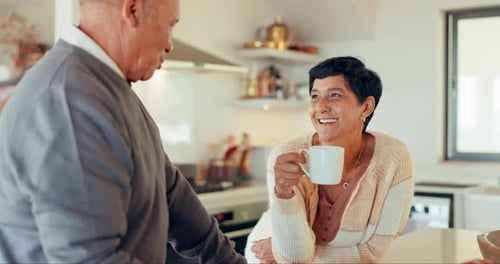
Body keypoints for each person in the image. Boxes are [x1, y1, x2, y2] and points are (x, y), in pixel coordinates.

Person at [0, 0, 245, 263]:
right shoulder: (69, 101)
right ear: (132, 10)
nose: (170, 45)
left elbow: (170, 193)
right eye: (170, 25)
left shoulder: (107, 87)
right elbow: (91, 259)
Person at [245, 56, 414, 263]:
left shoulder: (393, 158)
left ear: (366, 107)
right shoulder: (287, 156)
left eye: (334, 95)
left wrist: (282, 252)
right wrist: (283, 192)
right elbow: (294, 257)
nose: (321, 107)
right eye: (315, 97)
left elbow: (374, 252)